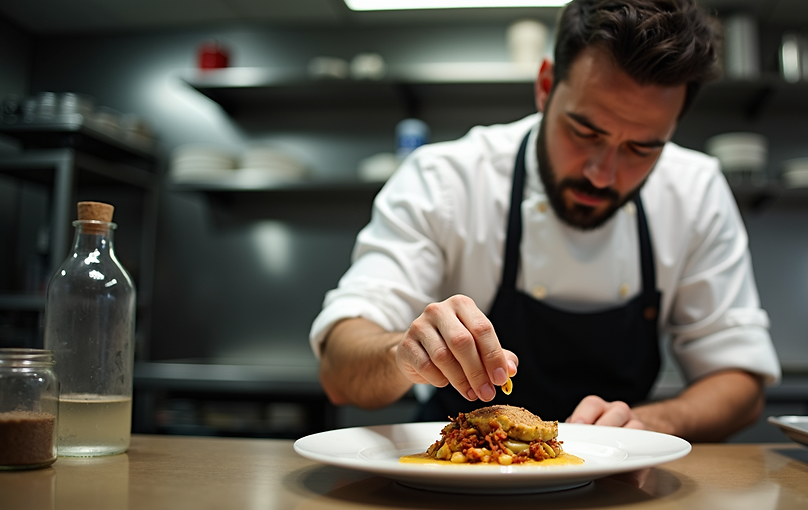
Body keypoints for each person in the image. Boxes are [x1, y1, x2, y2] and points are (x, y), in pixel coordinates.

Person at [310, 0, 780, 442]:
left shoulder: (694, 191)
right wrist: (402, 355)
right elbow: (338, 368)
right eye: (584, 131)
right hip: (455, 483)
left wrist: (649, 421)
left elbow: (740, 382)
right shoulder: (447, 180)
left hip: (614, 481)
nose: (603, 173)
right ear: (544, 86)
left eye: (642, 148)